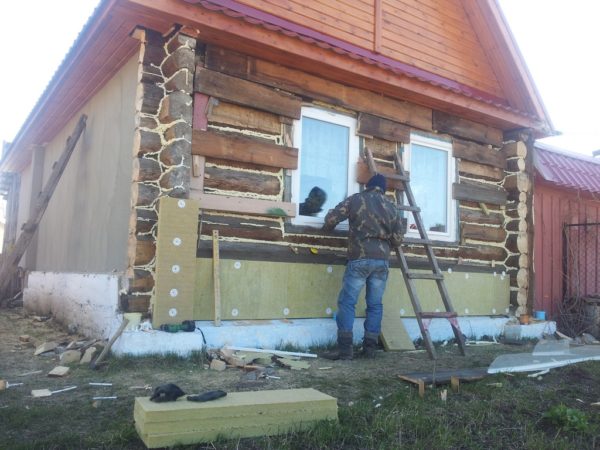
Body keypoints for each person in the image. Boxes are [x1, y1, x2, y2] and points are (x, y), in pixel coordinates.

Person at [321, 173, 403, 360]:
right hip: (381, 262)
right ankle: (369, 349)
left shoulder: (356, 199)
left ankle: (345, 350)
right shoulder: (392, 207)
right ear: (383, 189)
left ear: (368, 186)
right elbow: (398, 240)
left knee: (348, 302)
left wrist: (326, 229)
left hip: (359, 258)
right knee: (375, 305)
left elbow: (331, 220)